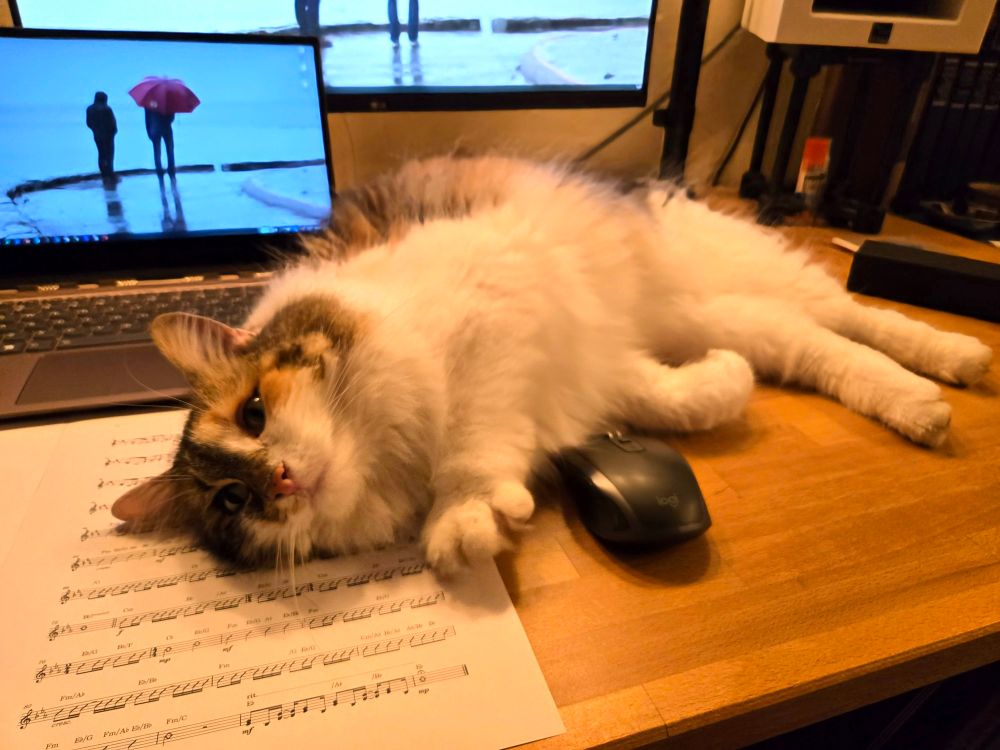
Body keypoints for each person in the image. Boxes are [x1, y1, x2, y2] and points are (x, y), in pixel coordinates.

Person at [85, 91, 117, 181]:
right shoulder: (107, 109)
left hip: (97, 135)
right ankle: (110, 174)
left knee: (101, 154)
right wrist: (114, 131)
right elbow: (112, 123)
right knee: (109, 155)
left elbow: (88, 123)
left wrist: (95, 130)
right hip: (109, 136)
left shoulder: (89, 109)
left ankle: (104, 174)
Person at [144, 107, 176, 179]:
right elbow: (172, 118)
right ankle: (171, 169)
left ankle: (159, 170)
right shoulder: (168, 100)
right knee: (169, 150)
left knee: (157, 151)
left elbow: (147, 119)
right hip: (166, 128)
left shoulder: (149, 102)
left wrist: (149, 131)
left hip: (155, 129)